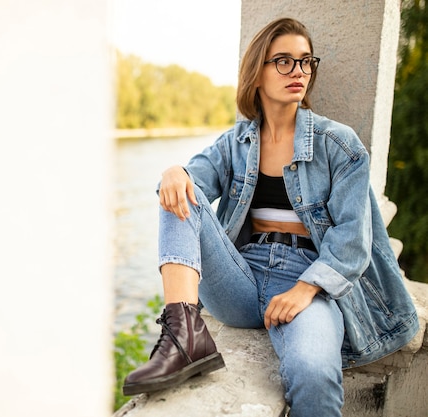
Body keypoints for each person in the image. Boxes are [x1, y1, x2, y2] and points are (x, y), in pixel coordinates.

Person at [122, 17, 419, 417]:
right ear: (256, 73)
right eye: (283, 61)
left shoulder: (340, 145)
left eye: (305, 61)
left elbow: (352, 241)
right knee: (178, 191)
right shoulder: (237, 142)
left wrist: (305, 289)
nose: (298, 71)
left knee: (314, 373)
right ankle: (183, 336)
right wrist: (174, 172)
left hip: (307, 279)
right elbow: (190, 188)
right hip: (240, 280)